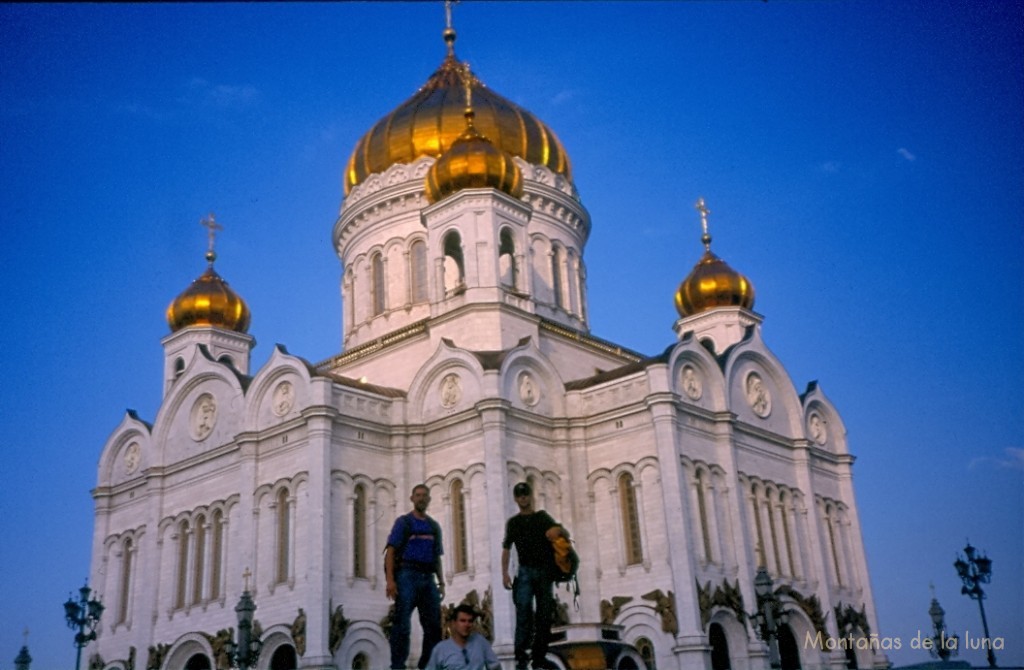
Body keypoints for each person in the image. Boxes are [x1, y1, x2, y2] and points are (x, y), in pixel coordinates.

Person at [501, 482, 567, 670]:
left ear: (530, 496)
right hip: (525, 572)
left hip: (544, 572)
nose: (523, 498)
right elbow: (506, 548)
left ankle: (539, 656)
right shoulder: (513, 523)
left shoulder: (542, 517)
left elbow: (561, 532)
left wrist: (558, 530)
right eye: (520, 495)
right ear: (516, 498)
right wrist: (505, 573)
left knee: (545, 615)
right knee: (523, 615)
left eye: (526, 494)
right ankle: (521, 658)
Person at [386, 484, 446, 669]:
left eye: (424, 496)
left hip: (428, 577)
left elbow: (436, 557)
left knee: (434, 626)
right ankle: (398, 665)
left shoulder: (433, 526)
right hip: (407, 575)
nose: (421, 498)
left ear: (428, 499)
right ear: (412, 499)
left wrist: (441, 581)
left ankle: (426, 665)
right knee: (402, 623)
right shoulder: (404, 522)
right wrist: (390, 580)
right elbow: (390, 551)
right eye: (418, 495)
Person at [423, 604, 500, 670]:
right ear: (454, 623)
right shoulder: (440, 649)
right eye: (462, 621)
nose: (467, 625)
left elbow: (495, 666)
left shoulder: (480, 642)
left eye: (470, 621)